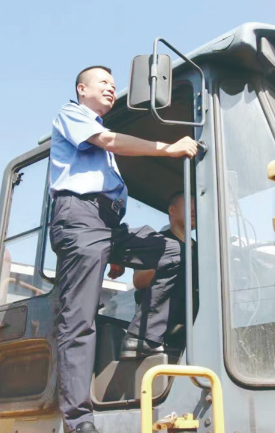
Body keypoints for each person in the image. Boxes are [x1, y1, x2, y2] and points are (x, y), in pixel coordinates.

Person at [49, 65, 197, 433]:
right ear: (81, 89)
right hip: (80, 218)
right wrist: (168, 148)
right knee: (78, 322)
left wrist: (114, 254)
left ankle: (142, 337)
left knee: (173, 251)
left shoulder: (96, 134)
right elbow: (111, 141)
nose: (111, 88)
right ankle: (79, 421)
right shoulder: (72, 114)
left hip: (106, 226)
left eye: (114, 85)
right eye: (104, 82)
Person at [126, 191, 198, 353]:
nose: (194, 209)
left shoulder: (202, 250)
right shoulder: (158, 242)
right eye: (189, 203)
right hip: (162, 332)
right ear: (172, 210)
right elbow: (139, 280)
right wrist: (168, 264)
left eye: (197, 205)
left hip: (196, 326)